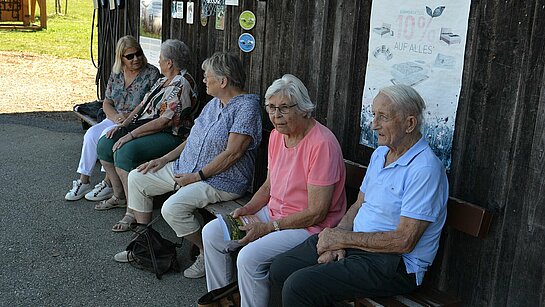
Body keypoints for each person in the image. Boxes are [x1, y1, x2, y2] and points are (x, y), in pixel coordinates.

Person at [268, 84, 449, 307]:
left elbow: (404, 241)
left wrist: (342, 239)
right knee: (280, 268)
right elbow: (359, 203)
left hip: (394, 263)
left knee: (300, 286)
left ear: (409, 123)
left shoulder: (425, 169)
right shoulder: (381, 153)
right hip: (357, 244)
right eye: (374, 115)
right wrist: (338, 238)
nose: (374, 124)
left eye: (383, 117)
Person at [112, 52, 263, 280]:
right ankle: (146, 245)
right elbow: (192, 138)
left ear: (222, 81)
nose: (203, 80)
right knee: (137, 178)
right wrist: (164, 159)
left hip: (221, 180)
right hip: (187, 169)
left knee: (172, 209)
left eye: (207, 76)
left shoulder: (246, 108)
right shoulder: (214, 104)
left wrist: (196, 176)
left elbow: (233, 153)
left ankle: (206, 251)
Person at [201, 74, 347, 307]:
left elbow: (317, 212)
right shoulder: (278, 136)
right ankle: (223, 299)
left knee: (249, 258)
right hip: (275, 214)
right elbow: (270, 185)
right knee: (213, 233)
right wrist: (248, 209)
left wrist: (269, 227)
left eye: (283, 108)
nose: (276, 116)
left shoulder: (322, 144)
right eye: (271, 108)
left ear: (303, 109)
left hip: (308, 227)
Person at [96, 39, 198, 233]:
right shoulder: (162, 80)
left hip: (171, 135)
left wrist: (130, 135)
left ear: (169, 62)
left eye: (161, 58)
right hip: (146, 127)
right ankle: (119, 195)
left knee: (124, 151)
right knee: (105, 144)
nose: (158, 61)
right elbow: (141, 106)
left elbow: (164, 121)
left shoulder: (181, 84)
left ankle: (131, 211)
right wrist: (122, 127)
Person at [65, 35, 160, 201]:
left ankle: (108, 183)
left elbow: (148, 104)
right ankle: (84, 180)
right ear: (121, 58)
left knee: (106, 137)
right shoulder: (117, 73)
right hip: (115, 118)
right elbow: (107, 101)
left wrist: (126, 119)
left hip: (136, 121)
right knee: (91, 135)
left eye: (138, 53)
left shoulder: (151, 73)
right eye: (129, 56)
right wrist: (116, 117)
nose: (135, 59)